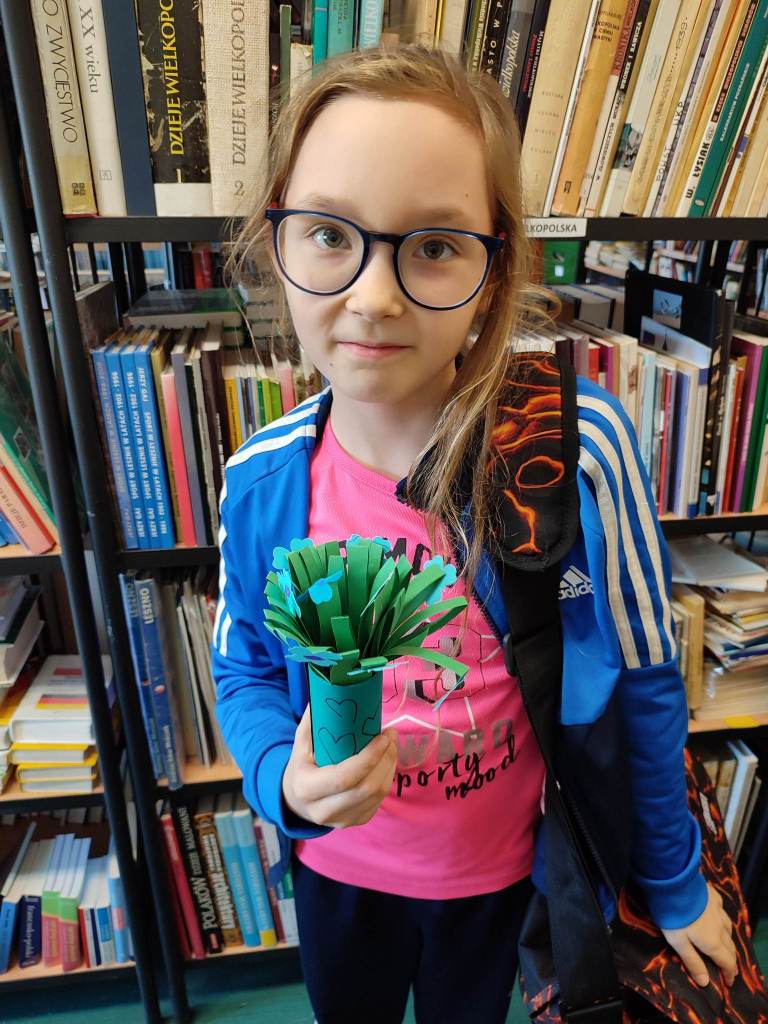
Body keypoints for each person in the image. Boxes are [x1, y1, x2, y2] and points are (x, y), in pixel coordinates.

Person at [212, 43, 738, 1024]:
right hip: (338, 876)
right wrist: (281, 775)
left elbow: (643, 677)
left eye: (434, 246)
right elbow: (242, 667)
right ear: (276, 241)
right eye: (328, 233)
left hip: (498, 881)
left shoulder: (576, 452)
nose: (374, 297)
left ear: (495, 270)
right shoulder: (262, 480)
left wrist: (674, 884)